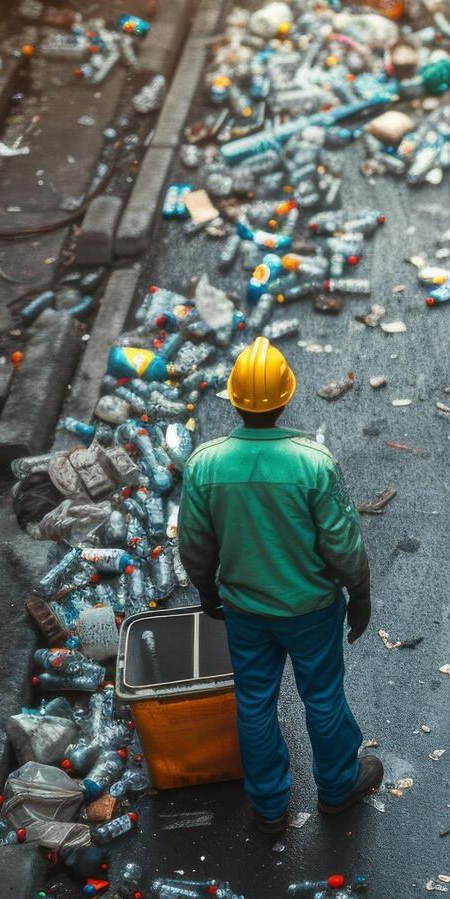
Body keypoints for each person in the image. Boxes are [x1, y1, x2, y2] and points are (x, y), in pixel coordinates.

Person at [179, 337, 381, 833]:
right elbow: (342, 541)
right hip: (312, 609)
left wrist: (207, 589)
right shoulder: (312, 462)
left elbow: (194, 544)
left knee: (254, 702)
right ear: (286, 399)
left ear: (234, 400)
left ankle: (269, 806)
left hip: (245, 609)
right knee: (323, 697)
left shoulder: (205, 464)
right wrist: (360, 591)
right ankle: (337, 788)